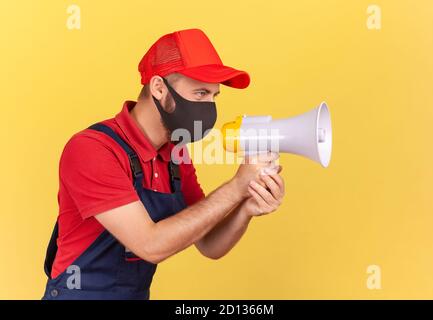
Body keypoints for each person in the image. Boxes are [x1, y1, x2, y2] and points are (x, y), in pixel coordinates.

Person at [42, 28, 285, 300]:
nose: (209, 107)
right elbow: (150, 245)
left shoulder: (175, 156)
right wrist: (234, 187)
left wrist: (246, 205)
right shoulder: (93, 149)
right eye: (201, 93)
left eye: (214, 97)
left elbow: (210, 244)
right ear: (159, 88)